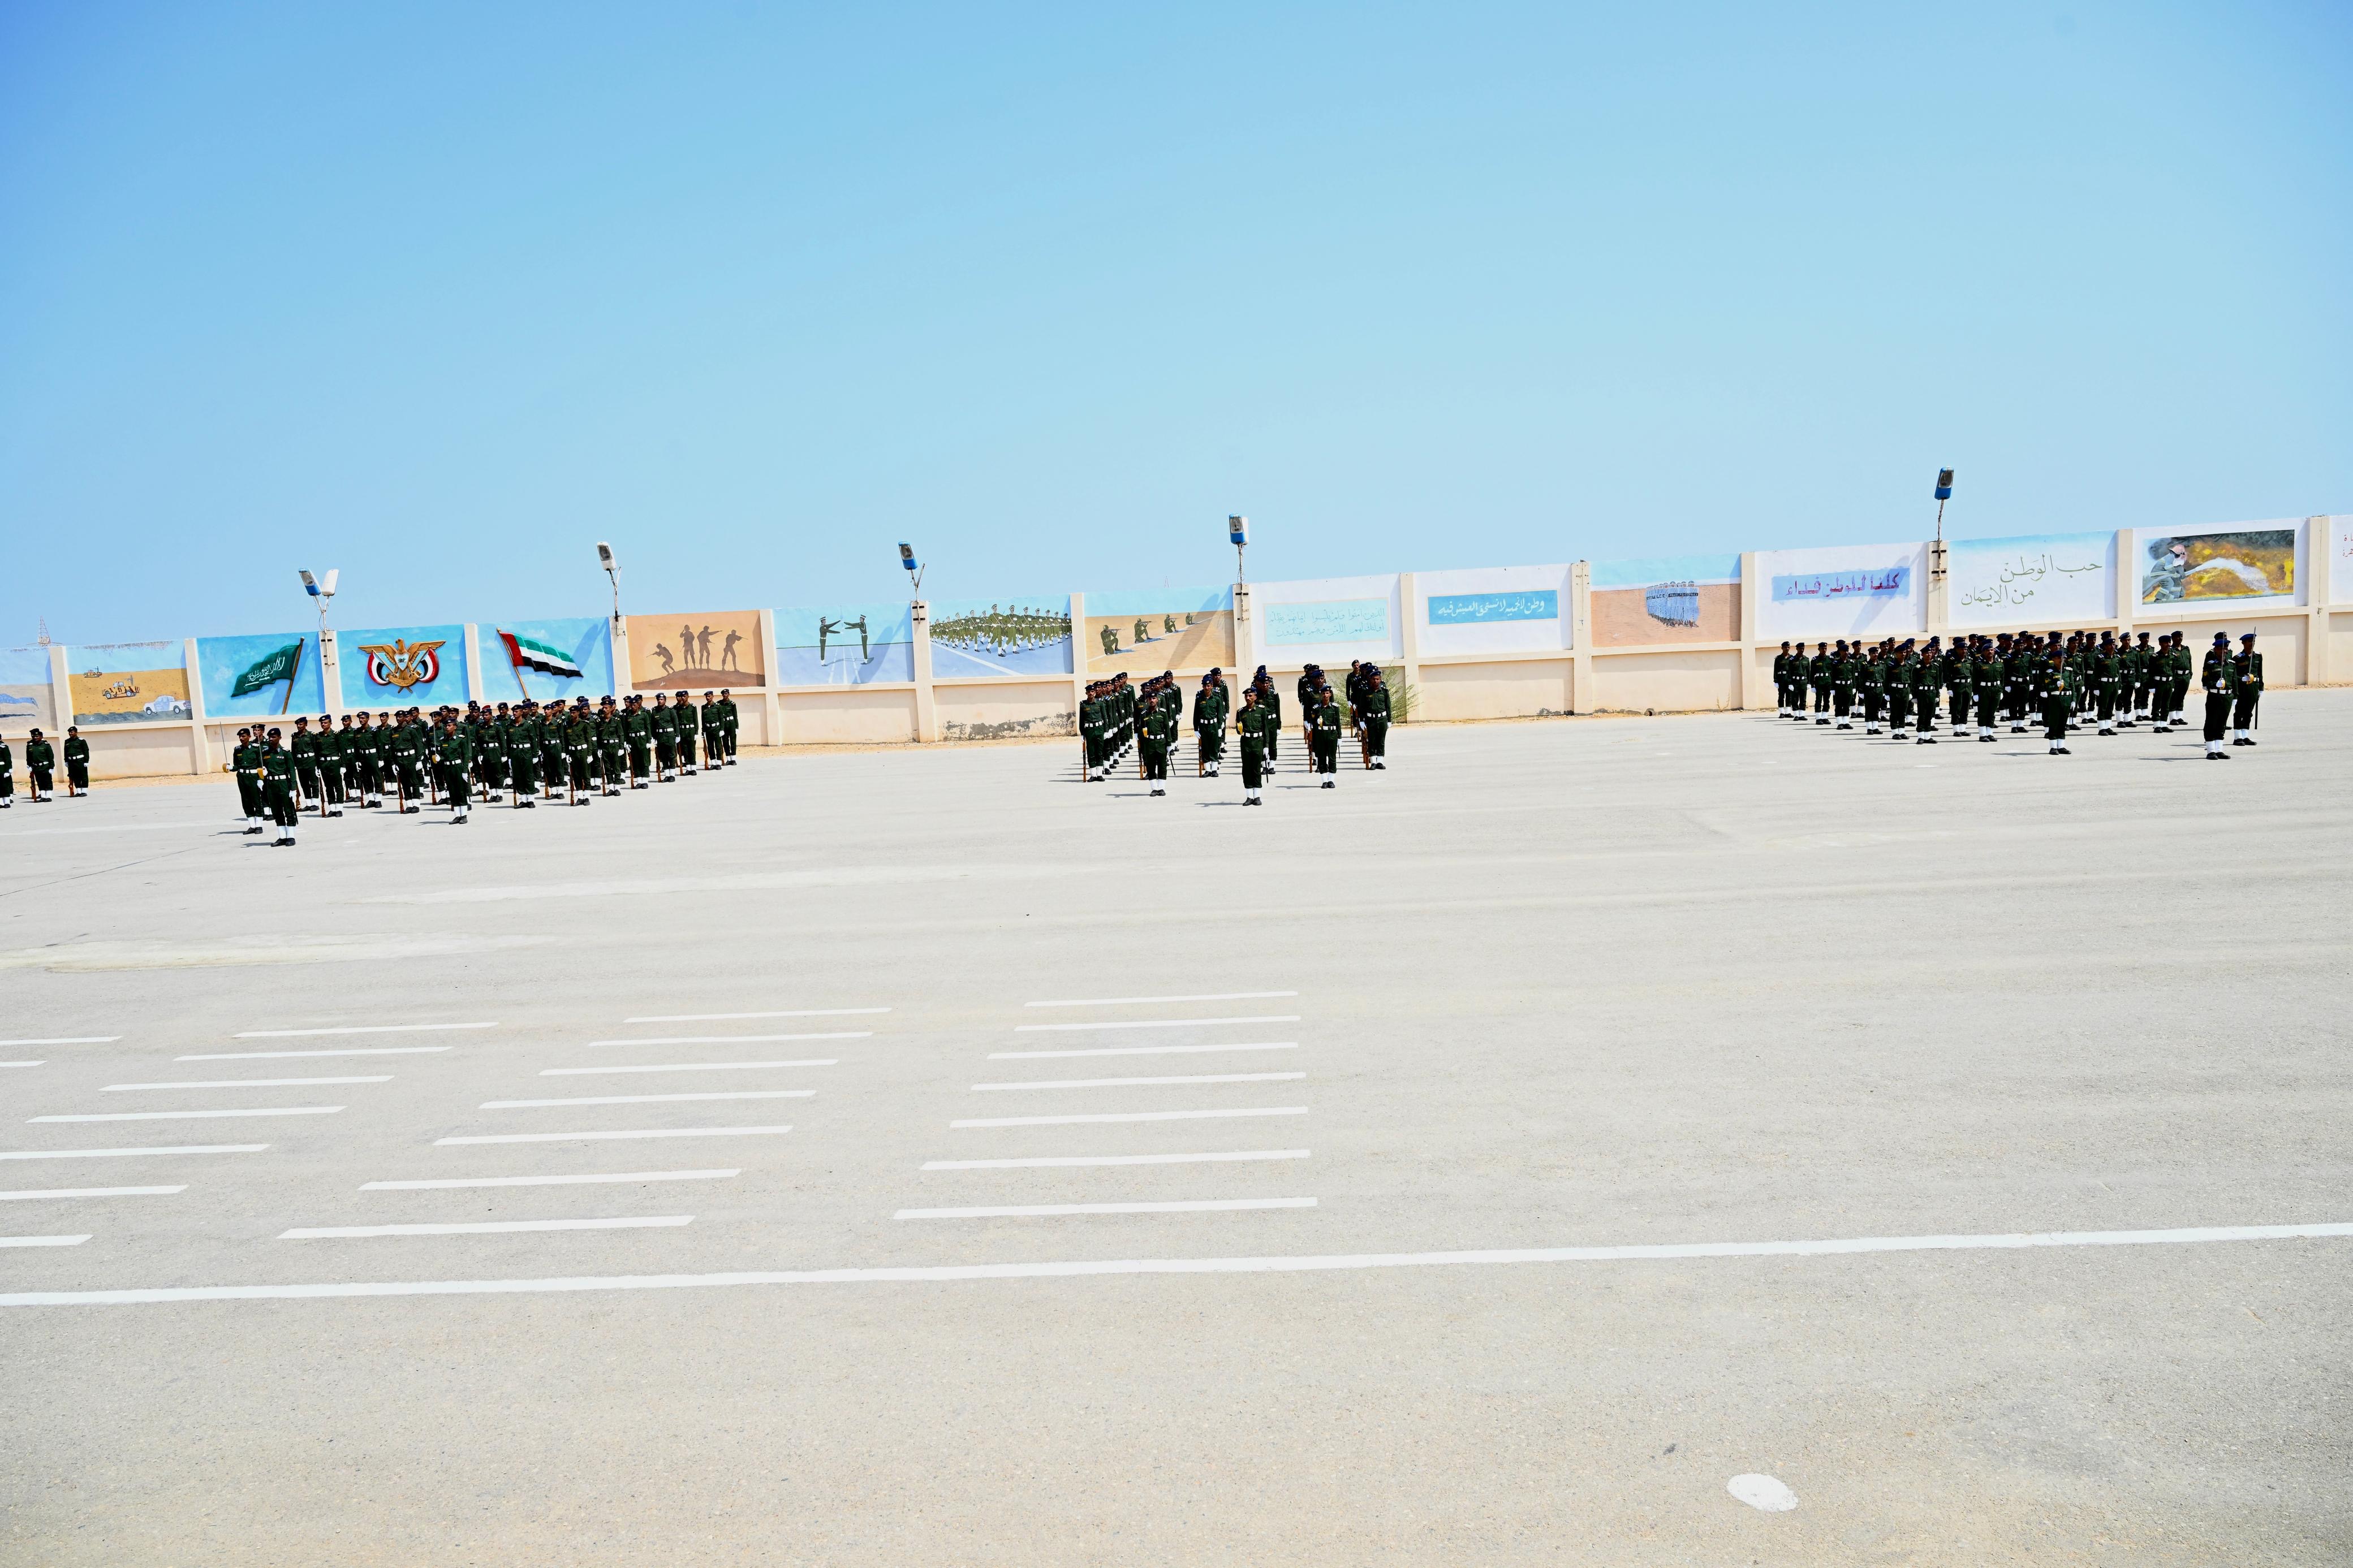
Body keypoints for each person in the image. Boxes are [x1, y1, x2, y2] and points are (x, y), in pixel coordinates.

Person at [260, 728, 300, 845]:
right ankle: (282, 837)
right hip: (271, 785)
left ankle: (291, 837)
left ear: (279, 738)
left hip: (283, 784)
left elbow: (292, 771)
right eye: (270, 738)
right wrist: (263, 775)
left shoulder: (285, 753)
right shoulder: (266, 753)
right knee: (277, 812)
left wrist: (294, 789)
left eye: (274, 737)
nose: (271, 740)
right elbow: (261, 768)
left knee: (289, 811)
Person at [1236, 686, 1271, 805]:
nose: (1248, 698)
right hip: (1246, 742)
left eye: (1250, 696)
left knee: (1256, 769)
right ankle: (1249, 796)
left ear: (1255, 697)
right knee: (1246, 769)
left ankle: (1257, 797)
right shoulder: (1241, 712)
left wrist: (1266, 746)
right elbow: (1238, 731)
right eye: (1246, 696)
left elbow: (1266, 729)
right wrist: (1239, 728)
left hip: (1258, 742)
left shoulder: (1261, 711)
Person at [437, 714, 474, 823]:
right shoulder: (443, 740)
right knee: (452, 791)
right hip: (448, 768)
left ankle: (464, 815)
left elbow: (466, 756)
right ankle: (457, 815)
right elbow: (443, 755)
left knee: (461, 791)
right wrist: (440, 758)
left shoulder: (460, 740)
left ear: (455, 727)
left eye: (449, 726)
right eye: (446, 726)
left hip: (458, 767)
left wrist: (465, 771)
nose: (447, 728)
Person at [1137, 687, 1174, 796]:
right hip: (1149, 743)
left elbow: (1167, 729)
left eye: (1154, 698)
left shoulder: (1163, 713)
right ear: (1147, 701)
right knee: (1151, 766)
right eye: (1150, 699)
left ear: (1157, 700)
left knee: (1162, 766)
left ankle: (1161, 788)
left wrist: (1169, 743)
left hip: (1161, 742)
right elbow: (1141, 731)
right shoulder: (1144, 714)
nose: (1152, 700)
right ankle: (1154, 788)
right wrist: (1142, 745)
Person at [1192, 671, 1228, 777]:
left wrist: (1220, 727)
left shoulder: (1216, 698)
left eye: (1208, 686)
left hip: (1214, 725)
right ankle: (1207, 770)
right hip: (1203, 726)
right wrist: (1196, 729)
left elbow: (1220, 712)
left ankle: (1214, 770)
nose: (1206, 688)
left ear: (1212, 686)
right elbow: (1196, 715)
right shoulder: (1199, 699)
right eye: (1205, 686)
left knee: (1214, 748)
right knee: (1205, 748)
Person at [2036, 649, 2071, 755]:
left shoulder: (2069, 671)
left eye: (2063, 658)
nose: (2062, 660)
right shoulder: (2050, 672)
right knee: (2054, 723)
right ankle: (2053, 747)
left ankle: (2061, 746)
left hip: (2067, 699)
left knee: (2063, 723)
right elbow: (2048, 687)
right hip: (2056, 699)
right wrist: (2055, 685)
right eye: (2059, 658)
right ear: (2054, 659)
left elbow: (2073, 686)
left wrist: (2074, 700)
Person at [2230, 632, 2262, 746]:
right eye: (2249, 641)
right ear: (2243, 643)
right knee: (2239, 712)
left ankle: (2245, 735)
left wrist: (2261, 688)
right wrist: (2242, 679)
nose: (2252, 644)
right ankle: (2238, 737)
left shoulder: (2258, 656)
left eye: (2253, 641)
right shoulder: (2238, 658)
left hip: (2253, 687)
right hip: (2242, 688)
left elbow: (2260, 673)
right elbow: (2233, 676)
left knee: (2249, 712)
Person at [1307, 683, 1342, 787]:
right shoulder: (1317, 708)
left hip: (1332, 735)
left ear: (1330, 694)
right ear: (1321, 695)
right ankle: (1324, 781)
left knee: (1332, 758)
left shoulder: (1335, 708)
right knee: (1321, 758)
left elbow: (1338, 723)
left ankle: (1331, 780)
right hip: (1320, 735)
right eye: (1324, 694)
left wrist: (1340, 737)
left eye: (1327, 693)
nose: (1325, 695)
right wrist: (1316, 722)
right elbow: (1312, 721)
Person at [1357, 667, 1391, 769]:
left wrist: (1389, 720)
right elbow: (1361, 707)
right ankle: (1373, 761)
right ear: (1370, 680)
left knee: (1381, 740)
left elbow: (1388, 706)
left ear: (1380, 679)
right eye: (1374, 679)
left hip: (1382, 719)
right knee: (1372, 740)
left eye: (1377, 679)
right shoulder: (1366, 691)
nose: (1376, 681)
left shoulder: (1384, 691)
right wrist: (1361, 720)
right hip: (1370, 719)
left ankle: (1380, 761)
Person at [24, 728, 54, 803]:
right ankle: (43, 797)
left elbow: (51, 757)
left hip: (45, 767)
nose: (35, 738)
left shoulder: (46, 746)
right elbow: (29, 757)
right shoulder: (30, 746)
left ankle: (49, 797)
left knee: (47, 782)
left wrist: (52, 767)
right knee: (40, 782)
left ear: (41, 736)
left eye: (37, 736)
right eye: (34, 736)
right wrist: (29, 765)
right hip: (36, 767)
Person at [62, 727, 89, 796]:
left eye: (72, 732)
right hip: (71, 762)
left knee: (83, 776)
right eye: (69, 732)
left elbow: (86, 751)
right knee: (75, 776)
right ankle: (79, 791)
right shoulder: (67, 741)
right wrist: (66, 761)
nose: (70, 733)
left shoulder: (81, 741)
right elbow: (66, 752)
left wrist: (86, 761)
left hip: (80, 760)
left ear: (76, 733)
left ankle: (84, 791)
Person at [0, 734, 12, 808]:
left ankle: (7, 802)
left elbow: (8, 759)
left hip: (2, 768)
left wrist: (8, 770)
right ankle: (1, 803)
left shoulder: (4, 747)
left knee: (5, 786)